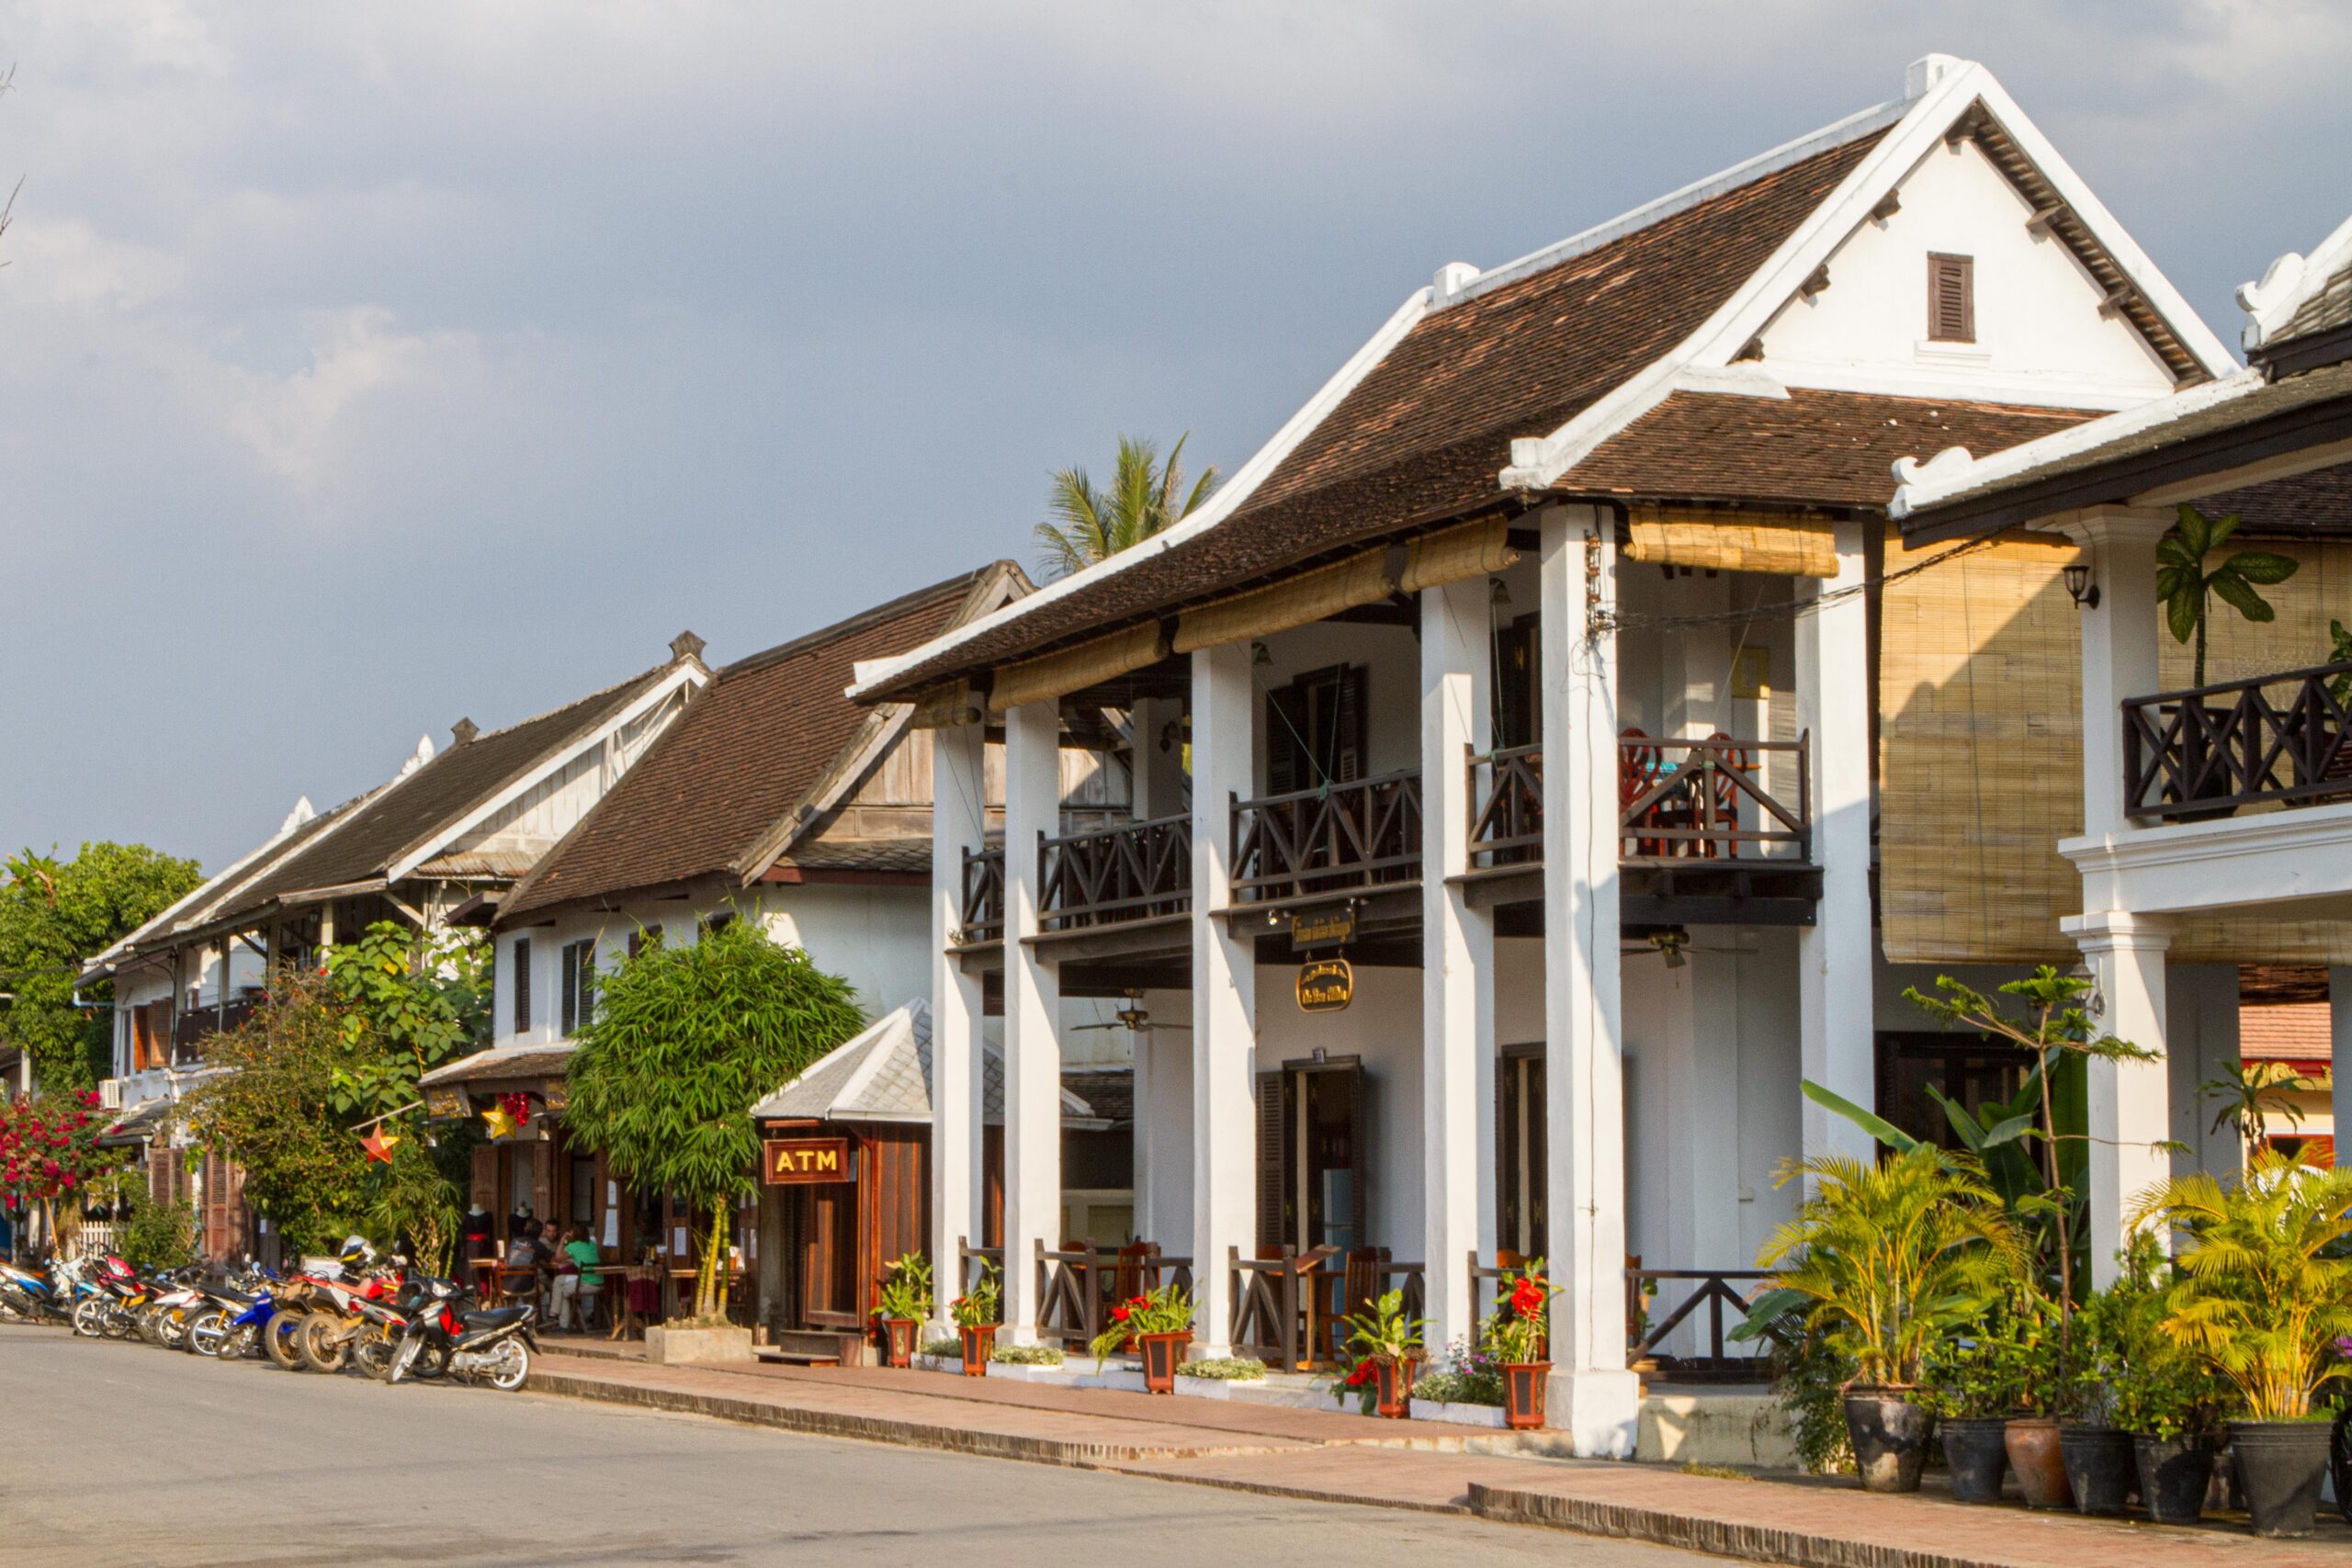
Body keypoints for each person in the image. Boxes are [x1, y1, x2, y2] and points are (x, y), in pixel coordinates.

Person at [549, 1224, 605, 1331]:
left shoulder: (573, 1246)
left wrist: (562, 1240)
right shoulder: (592, 1245)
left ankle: (559, 1319)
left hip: (586, 1283)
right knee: (559, 1280)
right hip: (599, 1283)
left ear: (573, 1234)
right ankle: (558, 1317)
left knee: (562, 1289)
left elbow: (558, 1258)